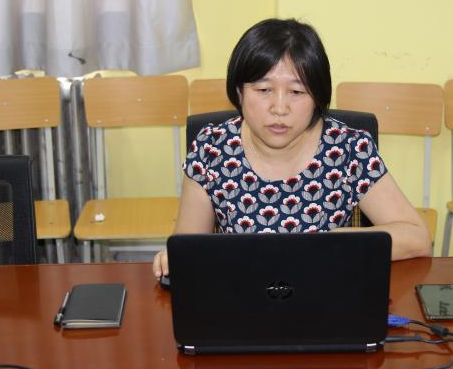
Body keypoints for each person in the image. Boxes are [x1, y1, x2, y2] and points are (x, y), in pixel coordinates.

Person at [153, 18, 431, 279]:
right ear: (239, 92)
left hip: (326, 296)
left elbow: (417, 238)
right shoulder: (211, 150)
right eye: (263, 90)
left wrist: (335, 243)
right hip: (240, 296)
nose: (279, 108)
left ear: (317, 98)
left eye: (297, 92)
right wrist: (174, 258)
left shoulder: (348, 149)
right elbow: (188, 249)